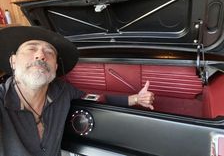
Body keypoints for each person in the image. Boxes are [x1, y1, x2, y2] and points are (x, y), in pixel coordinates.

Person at [0, 26, 154, 156]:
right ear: (13, 61)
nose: (40, 55)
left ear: (55, 67)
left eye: (49, 52)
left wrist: (135, 99)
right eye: (31, 48)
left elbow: (97, 99)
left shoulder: (63, 91)